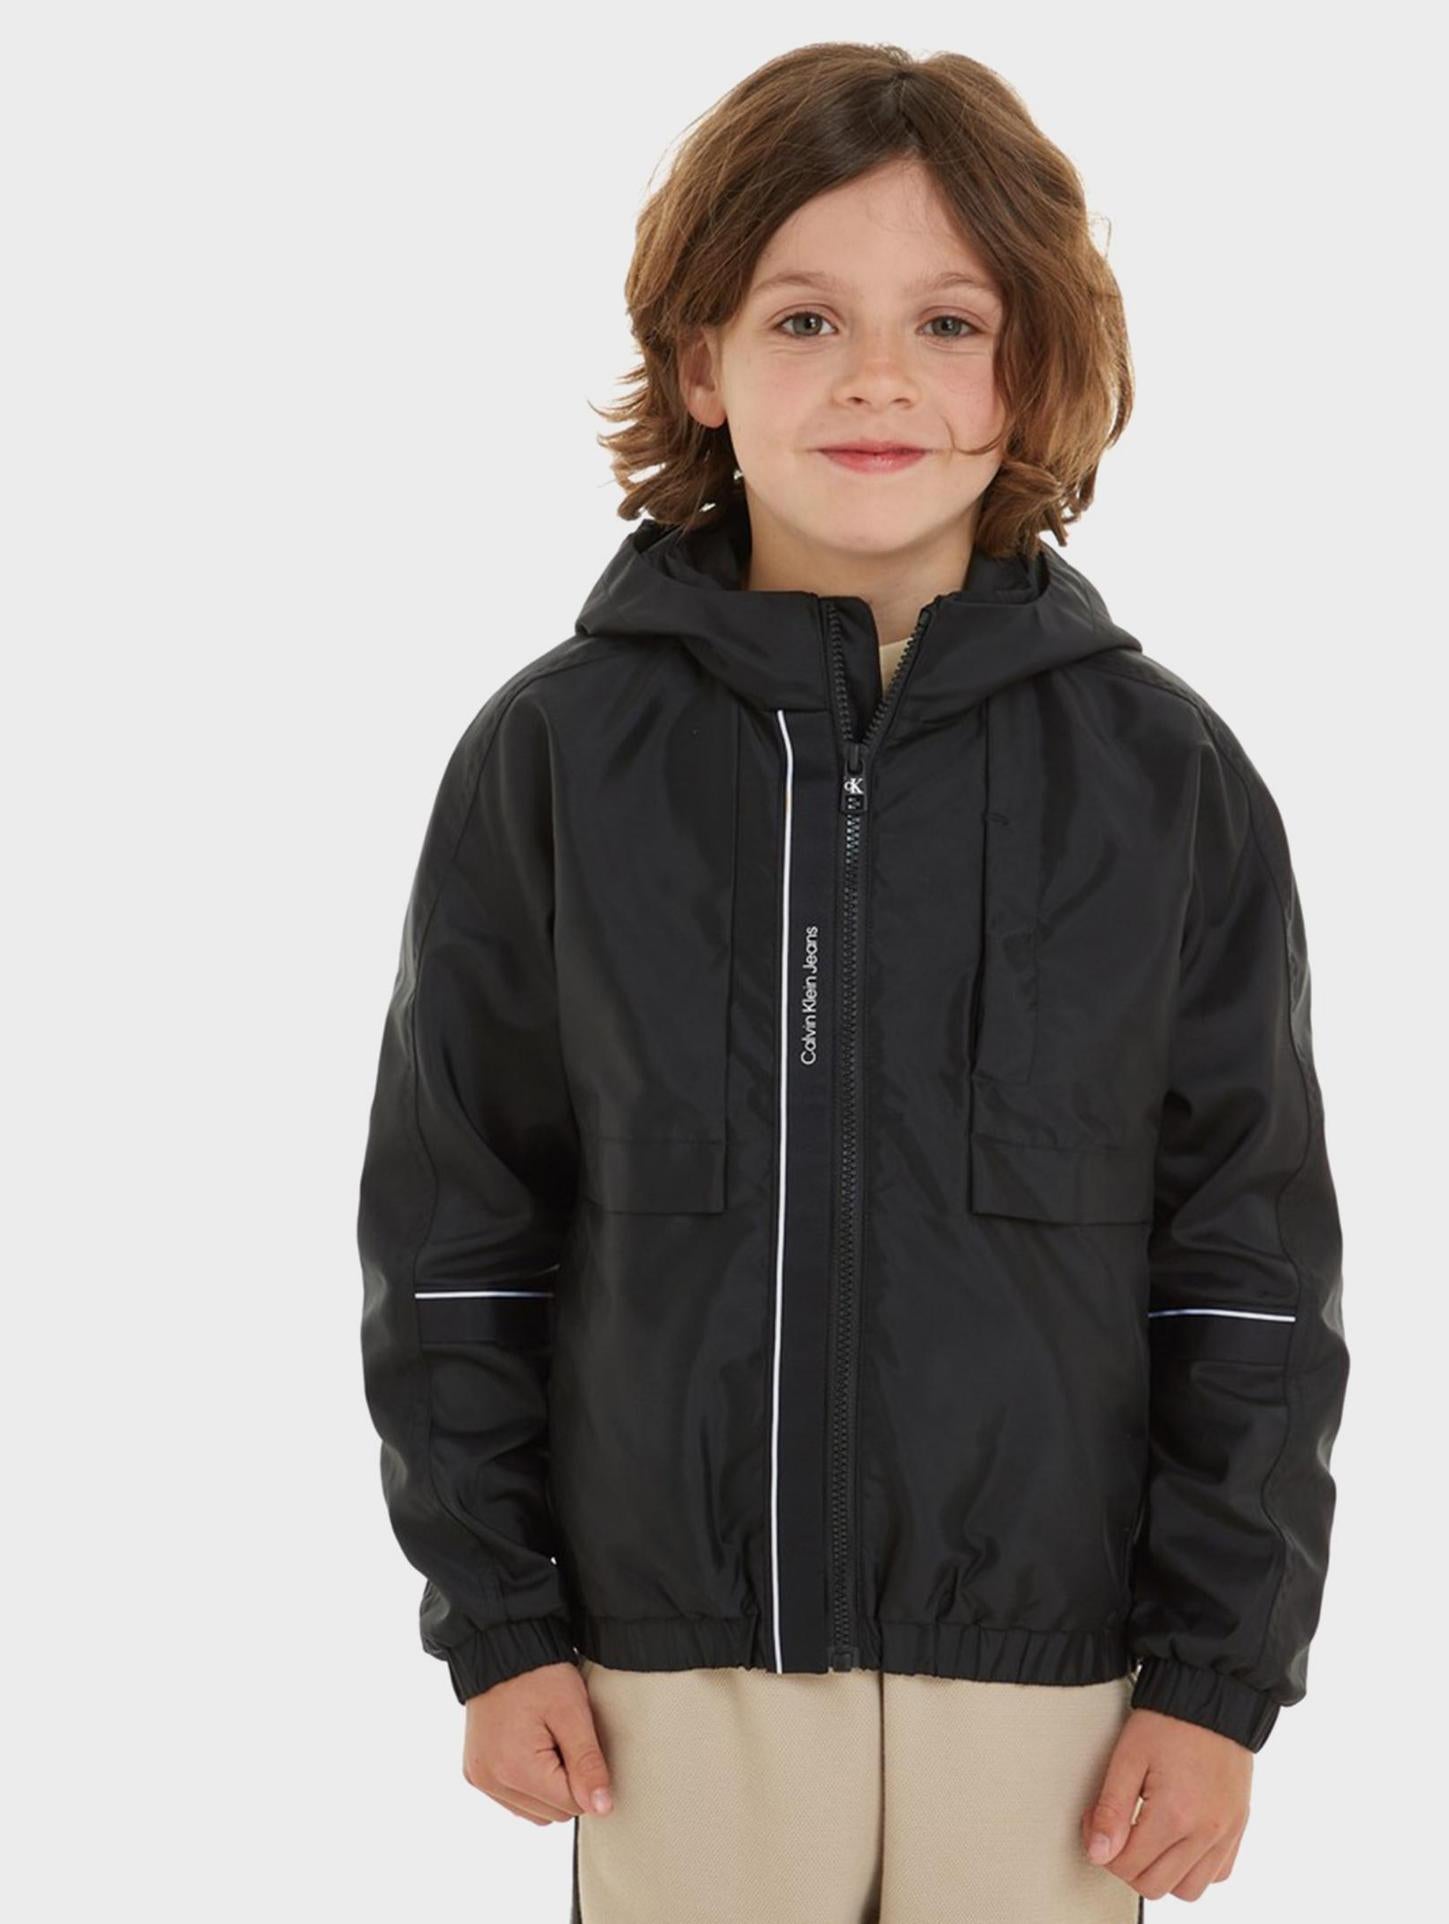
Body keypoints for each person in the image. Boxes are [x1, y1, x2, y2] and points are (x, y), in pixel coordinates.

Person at [357, 41, 1350, 1924]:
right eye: (804, 317)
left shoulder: (1165, 779)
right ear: (701, 365)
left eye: (949, 322)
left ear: (1028, 373)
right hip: (670, 1683)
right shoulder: (556, 760)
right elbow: (457, 1234)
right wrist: (498, 1624)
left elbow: (1248, 1269)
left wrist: (1220, 1679)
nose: (877, 376)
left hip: (1056, 1693)